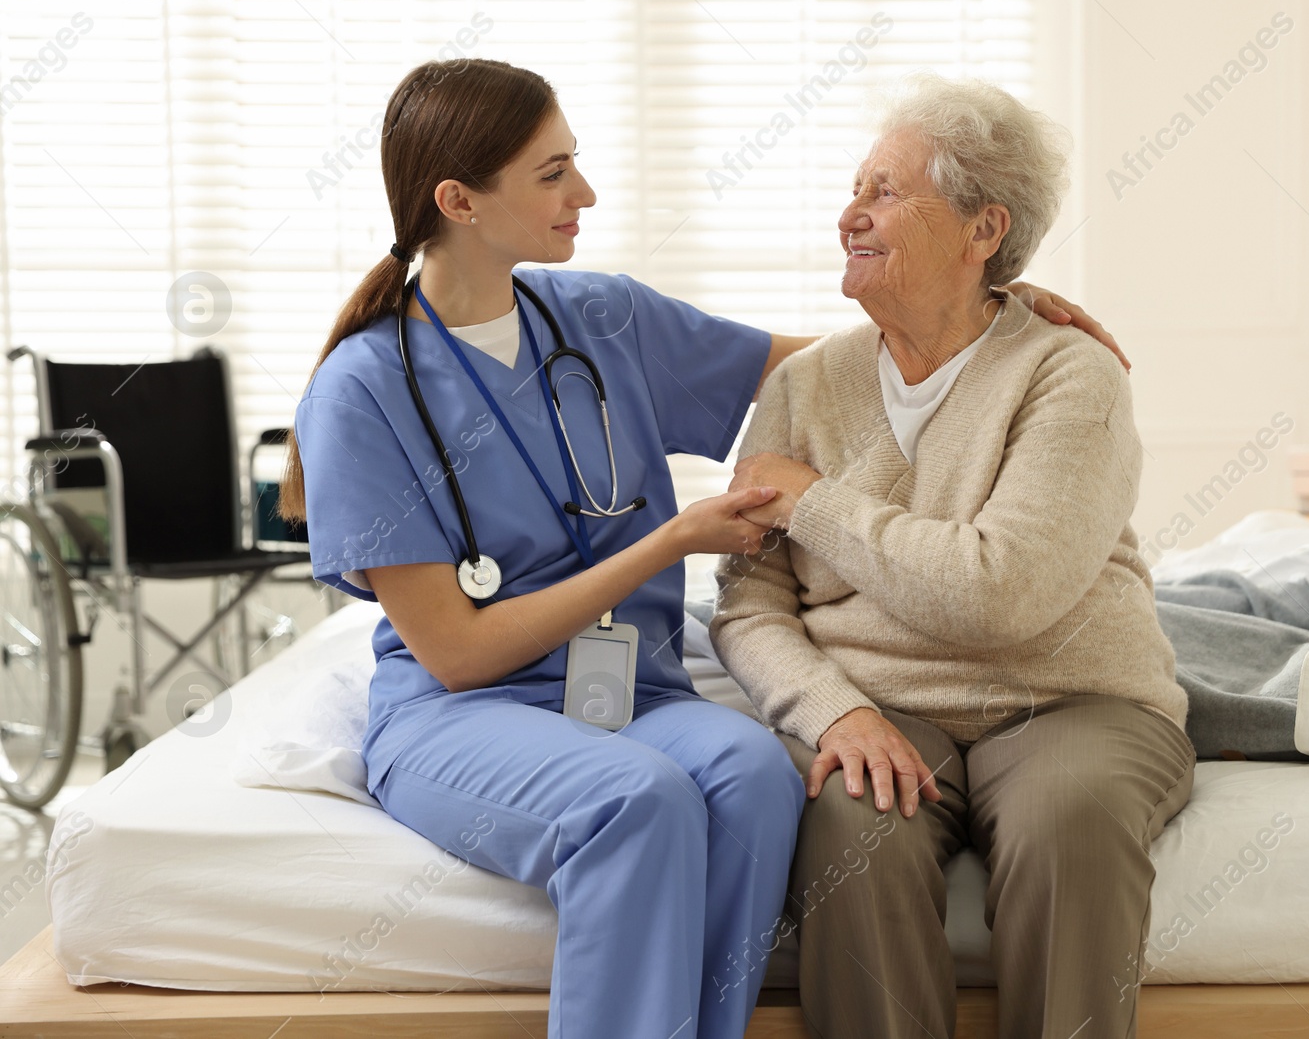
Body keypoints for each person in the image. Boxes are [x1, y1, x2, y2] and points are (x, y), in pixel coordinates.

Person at [279, 59, 1113, 1039]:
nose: (583, 192)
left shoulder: (603, 320)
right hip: (465, 714)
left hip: (634, 690)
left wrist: (993, 308)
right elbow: (458, 652)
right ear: (459, 200)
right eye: (551, 174)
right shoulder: (363, 392)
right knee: (635, 798)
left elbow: (833, 368)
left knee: (754, 774)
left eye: (575, 164)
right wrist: (669, 541)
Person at [710, 73, 1195, 1039]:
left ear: (983, 232)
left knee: (1072, 817)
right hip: (878, 702)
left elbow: (999, 593)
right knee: (849, 817)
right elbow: (746, 604)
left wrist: (815, 501)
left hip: (1068, 696)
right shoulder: (806, 385)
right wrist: (832, 707)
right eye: (854, 188)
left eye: (885, 191)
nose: (851, 212)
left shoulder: (1069, 373)